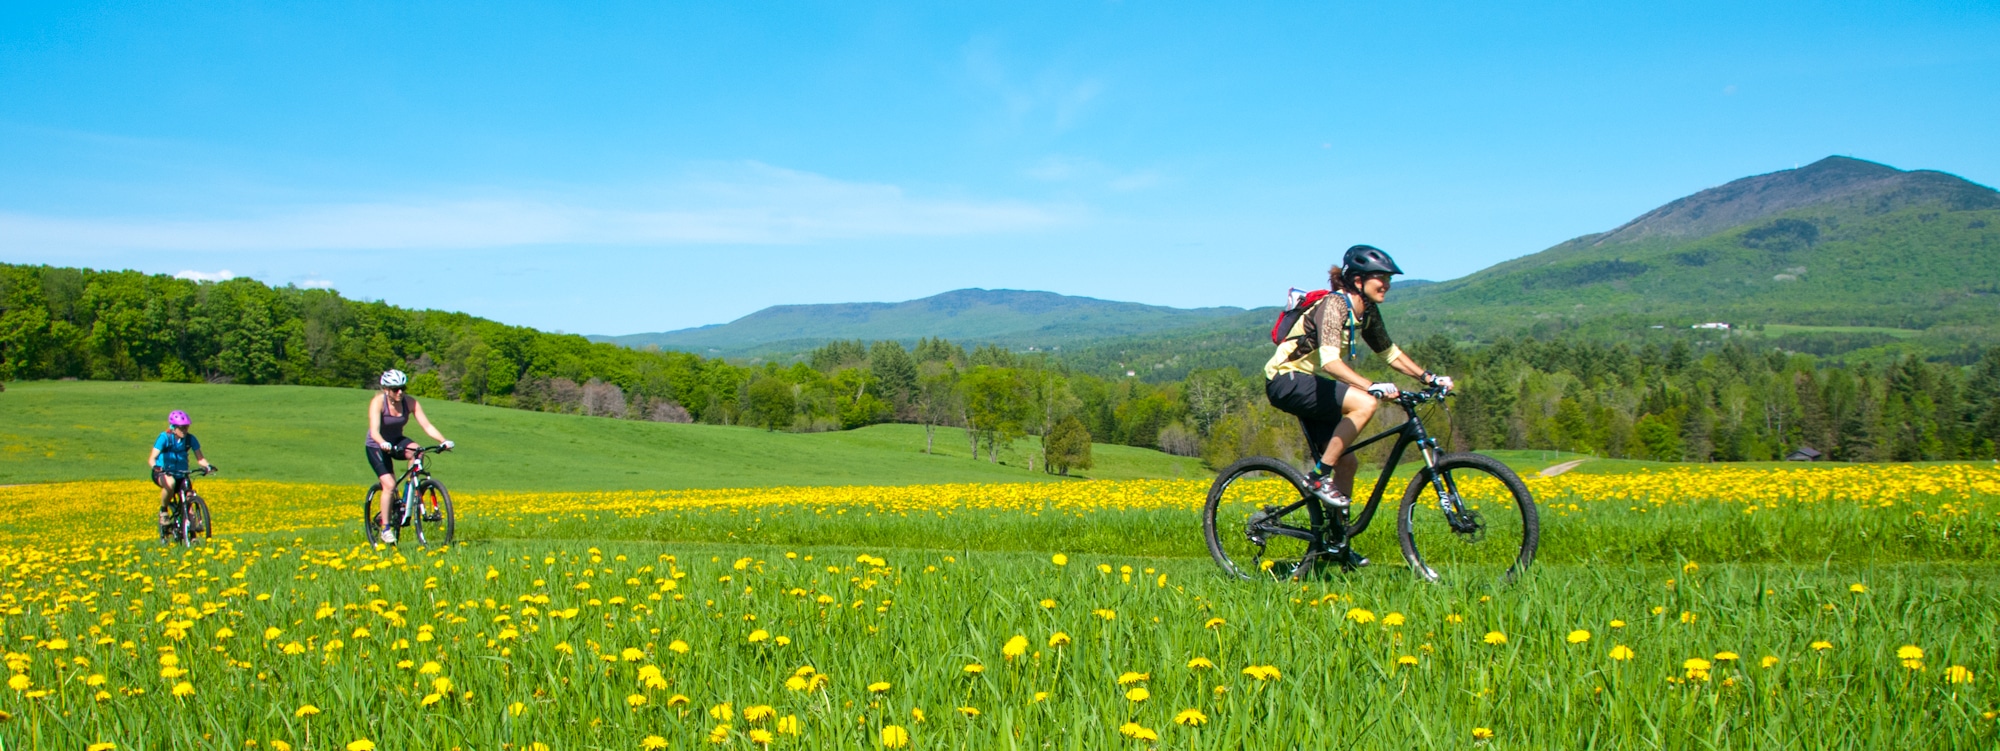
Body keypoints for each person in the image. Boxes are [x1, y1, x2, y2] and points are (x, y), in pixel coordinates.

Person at [1264, 245, 1454, 566]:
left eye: (1388, 279)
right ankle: (1318, 477)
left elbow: (1390, 354)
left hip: (1312, 388)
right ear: (1356, 279)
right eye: (1380, 278)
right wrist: (1372, 386)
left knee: (1348, 465)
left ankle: (1336, 546)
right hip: (1287, 379)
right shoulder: (1334, 305)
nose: (1387, 285)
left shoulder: (1366, 311)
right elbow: (1330, 363)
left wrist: (1428, 377)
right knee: (1365, 404)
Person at [367, 369, 453, 543]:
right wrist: (383, 443)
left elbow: (427, 426)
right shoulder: (378, 403)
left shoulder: (410, 402)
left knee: (419, 451)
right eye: (395, 389)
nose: (400, 392)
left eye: (403, 388)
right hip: (377, 445)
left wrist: (443, 441)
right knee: (389, 485)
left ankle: (409, 494)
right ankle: (385, 528)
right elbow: (374, 431)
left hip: (397, 440)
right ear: (386, 389)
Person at [149, 410, 215, 530]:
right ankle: (163, 511)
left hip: (181, 474)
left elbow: (200, 459)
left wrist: (208, 466)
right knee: (171, 483)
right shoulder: (164, 438)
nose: (185, 430)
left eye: (186, 427)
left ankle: (192, 534)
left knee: (190, 497)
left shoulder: (190, 439)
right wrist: (156, 467)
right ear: (173, 428)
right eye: (181, 428)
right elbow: (152, 458)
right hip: (163, 473)